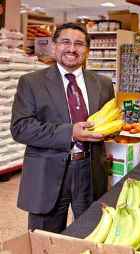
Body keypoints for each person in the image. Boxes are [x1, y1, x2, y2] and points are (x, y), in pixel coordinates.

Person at [10, 23, 114, 233]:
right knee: (45, 236)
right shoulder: (31, 82)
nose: (72, 49)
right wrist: (70, 132)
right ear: (53, 47)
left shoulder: (103, 84)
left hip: (90, 170)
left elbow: (109, 122)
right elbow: (21, 127)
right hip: (47, 171)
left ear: (87, 51)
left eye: (79, 44)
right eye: (65, 42)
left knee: (91, 232)